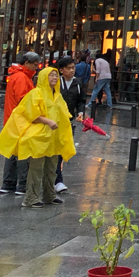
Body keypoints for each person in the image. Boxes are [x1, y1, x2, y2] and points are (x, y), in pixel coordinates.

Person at [0, 66, 76, 209]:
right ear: (44, 77)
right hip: (38, 137)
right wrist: (47, 121)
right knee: (36, 169)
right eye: (51, 76)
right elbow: (31, 114)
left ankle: (49, 195)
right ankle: (31, 198)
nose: (54, 78)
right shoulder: (36, 93)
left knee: (52, 167)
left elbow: (63, 112)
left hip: (53, 138)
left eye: (56, 76)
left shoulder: (57, 95)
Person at [0, 53, 38, 195]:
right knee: (22, 153)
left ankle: (8, 183)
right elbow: (24, 100)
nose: (36, 67)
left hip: (11, 119)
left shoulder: (17, 76)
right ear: (27, 63)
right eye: (35, 64)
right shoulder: (22, 78)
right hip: (19, 121)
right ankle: (22, 184)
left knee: (12, 152)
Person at [54, 55, 86, 193]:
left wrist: (80, 112)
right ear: (61, 70)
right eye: (69, 68)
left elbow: (81, 100)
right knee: (54, 150)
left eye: (73, 68)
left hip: (69, 121)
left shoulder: (77, 83)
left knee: (63, 149)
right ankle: (56, 180)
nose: (72, 70)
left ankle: (57, 179)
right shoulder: (56, 83)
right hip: (54, 121)